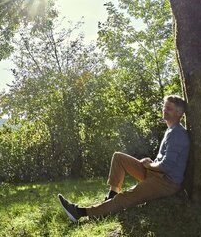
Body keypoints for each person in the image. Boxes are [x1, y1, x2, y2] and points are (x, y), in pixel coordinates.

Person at [57, 95, 189, 222]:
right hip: (156, 173)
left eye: (169, 108)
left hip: (166, 182)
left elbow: (166, 166)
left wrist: (149, 165)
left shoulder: (177, 134)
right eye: (164, 107)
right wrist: (151, 164)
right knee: (119, 158)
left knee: (126, 197)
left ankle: (80, 213)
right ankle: (111, 199)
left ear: (179, 112)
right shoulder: (171, 130)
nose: (165, 110)